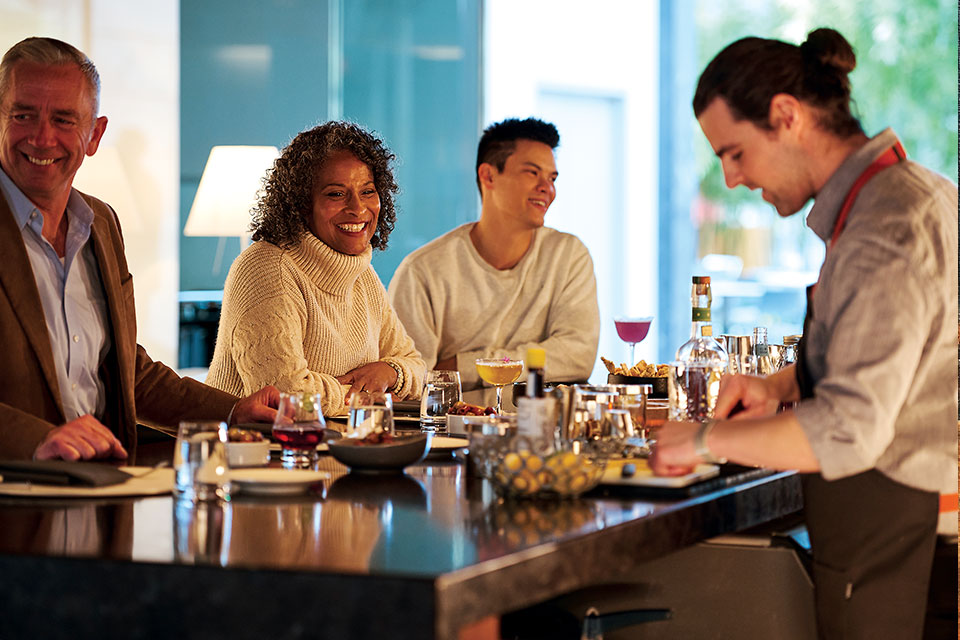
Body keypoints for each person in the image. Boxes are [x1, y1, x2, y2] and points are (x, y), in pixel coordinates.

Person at [651, 28, 957, 638]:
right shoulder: (908, 196)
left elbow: (849, 428)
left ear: (786, 116)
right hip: (903, 528)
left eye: (734, 153)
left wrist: (704, 441)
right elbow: (914, 352)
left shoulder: (884, 227)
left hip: (912, 538)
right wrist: (782, 382)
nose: (732, 179)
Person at [0, 37, 279, 462]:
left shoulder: (102, 225)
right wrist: (35, 440)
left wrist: (233, 412)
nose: (42, 137)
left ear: (94, 135)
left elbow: (129, 375)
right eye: (23, 115)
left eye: (63, 119)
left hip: (106, 490)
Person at [206, 121, 425, 417]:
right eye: (336, 194)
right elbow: (289, 397)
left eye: (368, 191)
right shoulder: (267, 268)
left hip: (343, 451)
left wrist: (390, 373)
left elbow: (415, 365)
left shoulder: (363, 276)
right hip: (258, 454)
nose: (358, 209)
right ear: (302, 203)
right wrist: (362, 396)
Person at [387, 117, 599, 406]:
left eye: (552, 178)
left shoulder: (569, 256)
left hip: (541, 435)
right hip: (452, 440)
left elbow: (577, 356)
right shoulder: (422, 271)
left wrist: (463, 366)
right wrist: (534, 360)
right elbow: (410, 382)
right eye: (532, 173)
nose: (547, 189)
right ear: (488, 176)